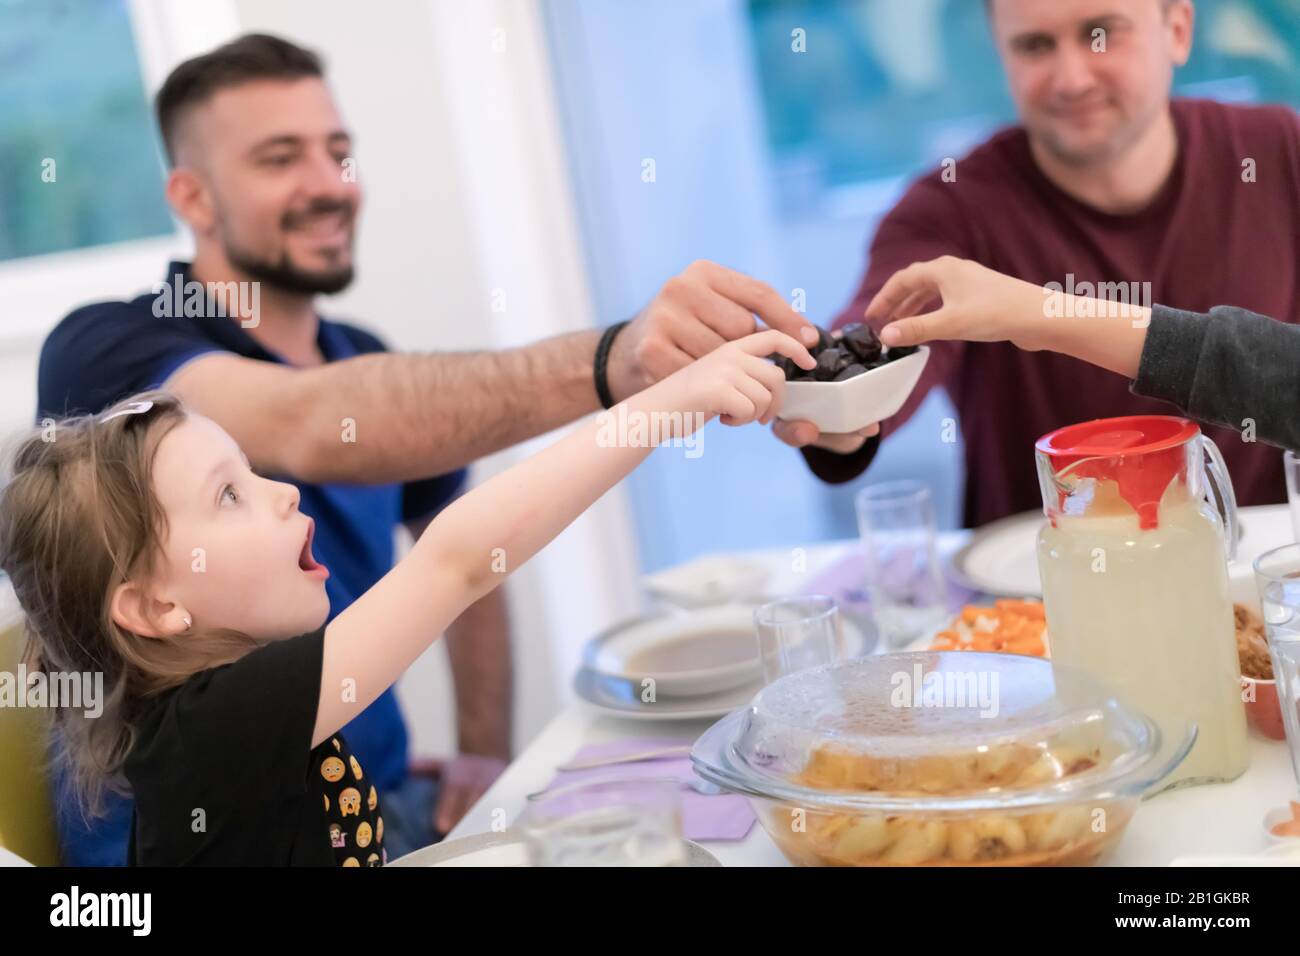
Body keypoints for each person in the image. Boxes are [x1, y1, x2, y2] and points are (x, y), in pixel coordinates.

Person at [38, 33, 817, 865]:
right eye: (279, 157)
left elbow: (458, 549)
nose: (327, 182)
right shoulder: (109, 356)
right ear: (192, 196)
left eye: (338, 151)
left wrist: (483, 754)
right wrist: (641, 385)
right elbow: (350, 456)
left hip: (367, 796)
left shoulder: (365, 357)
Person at [1, 330, 814, 865]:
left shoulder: (229, 717)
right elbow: (456, 562)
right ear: (152, 610)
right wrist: (664, 406)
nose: (282, 492)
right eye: (229, 497)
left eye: (254, 473)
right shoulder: (211, 725)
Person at [772, 0, 1300, 525]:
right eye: (1034, 46)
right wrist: (834, 403)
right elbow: (880, 331)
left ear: (1178, 30)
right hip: (1039, 597)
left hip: (1263, 580)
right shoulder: (950, 210)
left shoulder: (1280, 152)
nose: (1070, 79)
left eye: (1101, 33)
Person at [867, 255, 1300, 454]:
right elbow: (892, 310)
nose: (1073, 80)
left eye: (1104, 61)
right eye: (1035, 62)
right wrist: (853, 404)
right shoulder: (956, 196)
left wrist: (1044, 315)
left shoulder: (1278, 146)